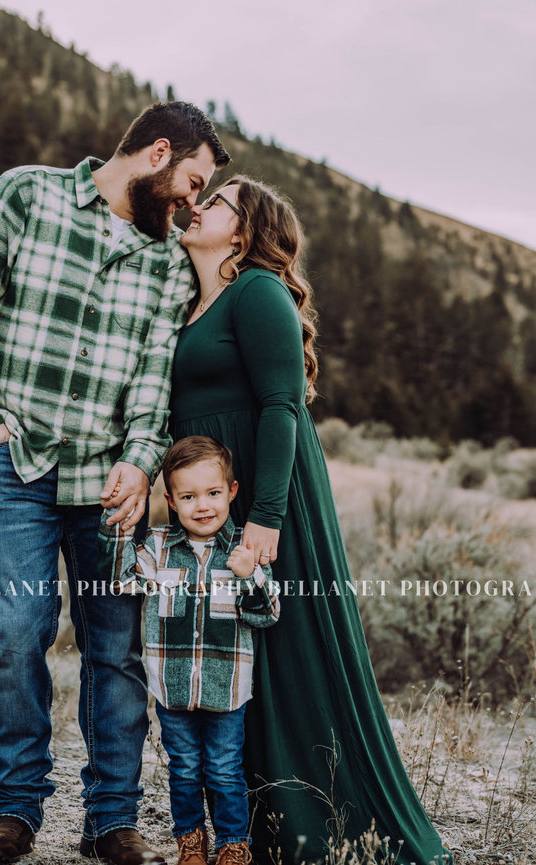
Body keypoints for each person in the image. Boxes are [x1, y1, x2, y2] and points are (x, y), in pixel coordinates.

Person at [0, 102, 230, 865]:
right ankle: (16, 807)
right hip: (15, 467)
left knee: (116, 646)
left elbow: (150, 375)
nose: (192, 203)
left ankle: (110, 820)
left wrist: (140, 456)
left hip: (110, 483)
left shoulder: (165, 260)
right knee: (15, 632)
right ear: (157, 152)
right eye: (191, 181)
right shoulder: (22, 196)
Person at [167, 177, 453, 865]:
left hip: (270, 493)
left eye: (219, 200)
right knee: (242, 656)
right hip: (218, 498)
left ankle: (330, 820)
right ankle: (264, 823)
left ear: (244, 230)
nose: (196, 202)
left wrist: (266, 517)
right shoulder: (191, 301)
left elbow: (281, 404)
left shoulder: (257, 290)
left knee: (291, 648)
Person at [100, 435, 280, 865]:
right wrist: (122, 529)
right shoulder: (159, 548)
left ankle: (235, 845)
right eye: (189, 496)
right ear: (172, 501)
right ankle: (191, 842)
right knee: (183, 770)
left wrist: (248, 576)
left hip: (226, 689)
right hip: (173, 688)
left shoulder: (245, 549)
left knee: (223, 770)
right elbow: (124, 581)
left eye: (213, 493)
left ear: (231, 492)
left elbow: (267, 613)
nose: (203, 506)